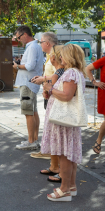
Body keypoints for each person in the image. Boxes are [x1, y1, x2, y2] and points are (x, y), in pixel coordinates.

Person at [40, 44, 87, 201]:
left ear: (70, 57)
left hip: (63, 120)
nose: (61, 58)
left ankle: (64, 189)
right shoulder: (76, 72)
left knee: (64, 155)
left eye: (63, 55)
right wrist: (52, 93)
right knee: (69, 153)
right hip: (66, 119)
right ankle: (71, 186)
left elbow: (66, 95)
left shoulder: (71, 72)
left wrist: (50, 88)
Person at [30, 45, 65, 181]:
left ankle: (60, 171)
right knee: (53, 137)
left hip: (59, 110)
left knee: (57, 138)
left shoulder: (62, 72)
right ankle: (54, 166)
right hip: (55, 107)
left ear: (53, 57)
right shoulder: (61, 71)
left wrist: (48, 88)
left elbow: (60, 89)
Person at [13, 25, 43, 151]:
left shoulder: (32, 47)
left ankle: (31, 141)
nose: (18, 40)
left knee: (28, 113)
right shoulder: (36, 46)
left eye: (19, 37)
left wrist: (17, 67)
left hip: (27, 83)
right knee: (33, 111)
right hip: (31, 83)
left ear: (25, 34)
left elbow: (30, 66)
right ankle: (34, 139)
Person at [31, 32, 58, 160]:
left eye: (41, 42)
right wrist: (45, 85)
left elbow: (59, 75)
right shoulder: (49, 55)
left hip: (56, 94)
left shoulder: (55, 55)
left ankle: (51, 154)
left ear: (47, 43)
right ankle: (48, 151)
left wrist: (43, 79)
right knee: (49, 125)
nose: (40, 44)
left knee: (53, 126)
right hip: (50, 92)